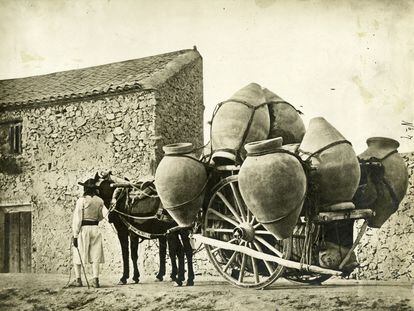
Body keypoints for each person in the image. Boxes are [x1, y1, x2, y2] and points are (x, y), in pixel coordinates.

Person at [70, 178, 108, 288]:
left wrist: (75, 235)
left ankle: (78, 279)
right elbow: (102, 217)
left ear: (85, 188)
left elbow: (77, 219)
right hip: (95, 228)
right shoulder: (100, 201)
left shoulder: (81, 200)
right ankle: (95, 280)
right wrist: (94, 219)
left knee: (78, 252)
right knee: (95, 253)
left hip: (83, 229)